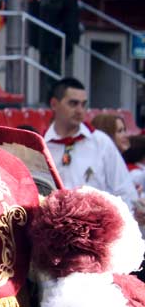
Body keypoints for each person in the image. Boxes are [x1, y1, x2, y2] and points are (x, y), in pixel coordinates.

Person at [43, 78, 138, 210]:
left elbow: (124, 190)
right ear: (54, 104)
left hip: (96, 227)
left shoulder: (101, 142)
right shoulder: (42, 145)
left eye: (83, 104)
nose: (80, 110)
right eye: (73, 103)